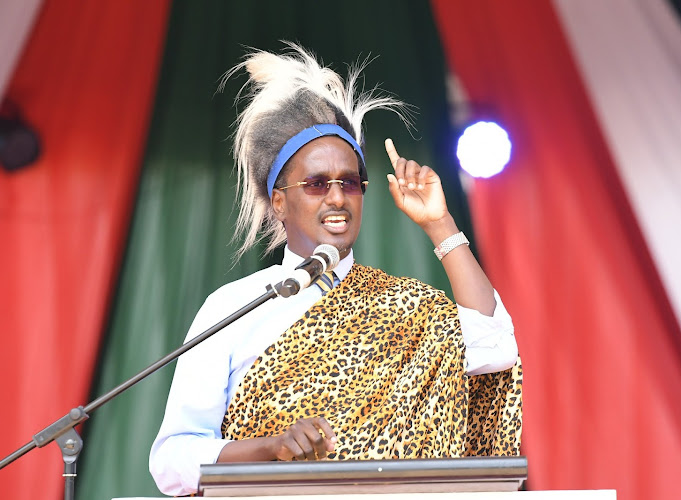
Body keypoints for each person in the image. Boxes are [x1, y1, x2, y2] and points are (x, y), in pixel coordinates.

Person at [149, 43, 521, 497]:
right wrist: (271, 449)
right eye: (316, 184)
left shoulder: (408, 306)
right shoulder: (233, 307)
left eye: (350, 182)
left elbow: (495, 347)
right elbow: (172, 461)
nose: (337, 196)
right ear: (279, 202)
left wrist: (439, 223)